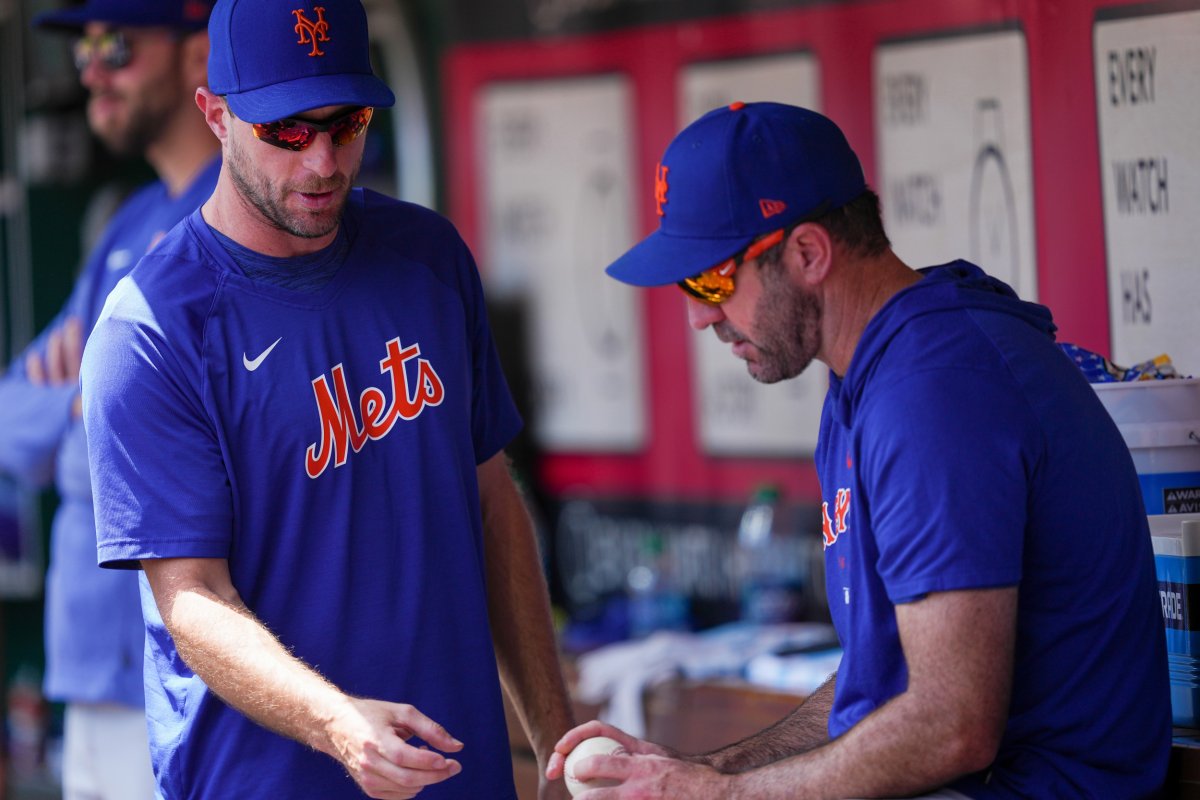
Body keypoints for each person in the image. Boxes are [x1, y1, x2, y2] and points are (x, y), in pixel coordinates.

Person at [546, 102, 1171, 798]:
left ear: (809, 252)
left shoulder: (933, 391)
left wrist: (713, 797)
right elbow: (883, 680)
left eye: (710, 279)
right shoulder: (872, 378)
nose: (698, 316)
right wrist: (701, 771)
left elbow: (951, 725)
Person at [79, 0, 574, 798]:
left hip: (455, 774)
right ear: (215, 113)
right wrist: (340, 725)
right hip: (267, 780)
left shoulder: (428, 254)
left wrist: (556, 742)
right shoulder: (152, 328)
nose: (321, 162)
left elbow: (491, 505)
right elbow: (191, 596)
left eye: (345, 125)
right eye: (286, 131)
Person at [0, 1, 218, 796]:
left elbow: (186, 432)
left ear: (197, 57)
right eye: (85, 48)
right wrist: (78, 403)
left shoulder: (235, 214)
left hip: (175, 673)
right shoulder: (127, 222)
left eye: (117, 45)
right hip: (84, 671)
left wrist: (104, 395)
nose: (92, 69)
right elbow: (8, 422)